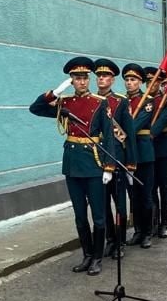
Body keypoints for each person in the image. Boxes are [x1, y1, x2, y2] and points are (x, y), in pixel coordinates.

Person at [29, 57, 114, 275]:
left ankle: (97, 257)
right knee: (79, 214)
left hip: (94, 164)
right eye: (77, 78)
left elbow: (110, 138)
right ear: (72, 81)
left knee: (98, 215)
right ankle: (86, 255)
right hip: (72, 164)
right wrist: (54, 93)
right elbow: (35, 108)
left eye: (85, 78)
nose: (82, 82)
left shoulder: (99, 102)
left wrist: (108, 167)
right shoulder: (64, 102)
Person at [92, 59, 135, 259]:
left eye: (106, 76)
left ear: (112, 79)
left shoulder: (120, 101)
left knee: (119, 204)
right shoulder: (90, 100)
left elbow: (130, 134)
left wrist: (130, 164)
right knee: (102, 205)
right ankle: (109, 239)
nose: (102, 79)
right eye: (99, 75)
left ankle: (120, 242)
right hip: (96, 159)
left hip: (116, 158)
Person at [122, 63, 157, 248]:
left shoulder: (148, 101)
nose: (129, 83)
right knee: (133, 195)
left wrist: (120, 129)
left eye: (133, 80)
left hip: (144, 154)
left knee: (146, 195)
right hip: (128, 154)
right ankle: (137, 230)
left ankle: (147, 233)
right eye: (127, 80)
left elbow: (135, 126)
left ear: (141, 82)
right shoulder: (122, 101)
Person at [147, 67, 167, 239]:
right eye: (148, 81)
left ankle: (165, 222)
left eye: (155, 81)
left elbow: (163, 120)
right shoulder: (143, 101)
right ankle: (153, 221)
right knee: (151, 188)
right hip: (148, 150)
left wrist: (148, 133)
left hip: (162, 148)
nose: (151, 84)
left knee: (164, 187)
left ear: (159, 83)